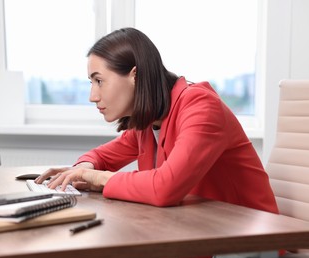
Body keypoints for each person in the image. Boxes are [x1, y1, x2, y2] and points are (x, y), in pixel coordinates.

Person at [35, 27, 278, 214]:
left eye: (99, 81)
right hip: (198, 231)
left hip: (246, 243)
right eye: (91, 83)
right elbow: (103, 156)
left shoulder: (202, 108)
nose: (92, 96)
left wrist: (97, 178)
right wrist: (84, 168)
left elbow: (165, 188)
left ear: (135, 76)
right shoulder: (149, 119)